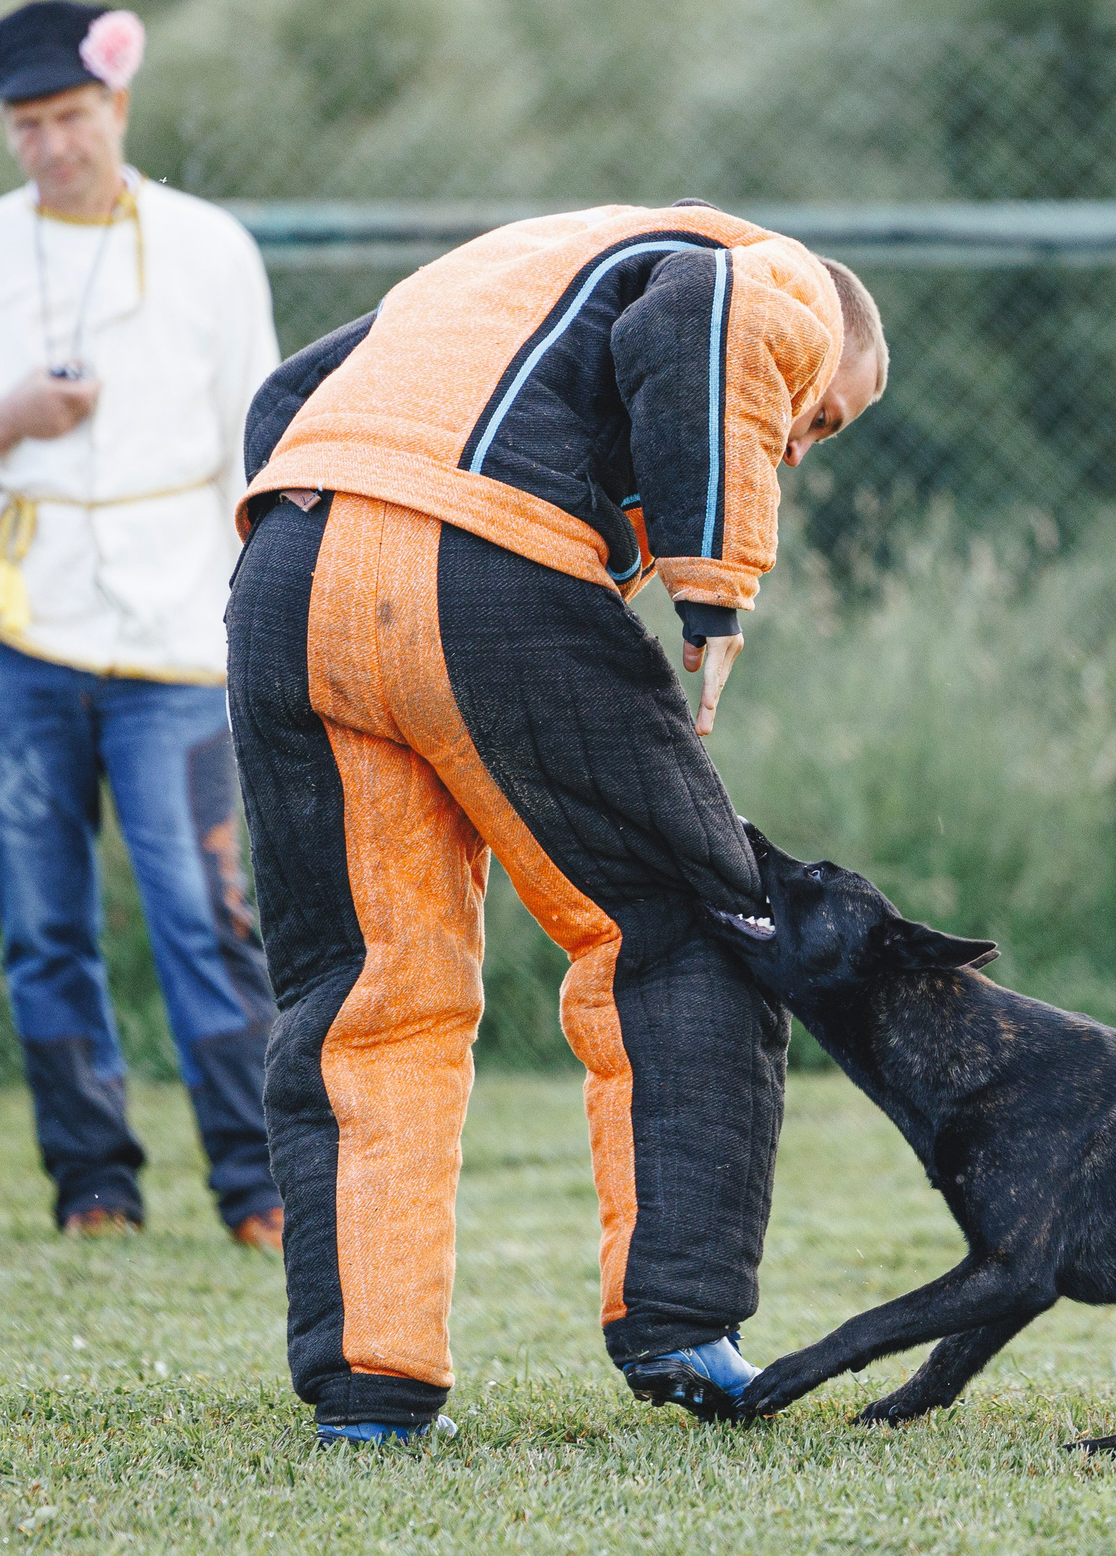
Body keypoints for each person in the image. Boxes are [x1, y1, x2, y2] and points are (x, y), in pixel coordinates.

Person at [224, 202, 888, 1444]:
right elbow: (708, 322)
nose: (802, 448)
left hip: (288, 574)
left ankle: (369, 1387)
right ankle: (679, 1323)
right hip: (484, 559)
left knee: (363, 994)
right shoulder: (769, 272)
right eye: (824, 417)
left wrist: (303, 545)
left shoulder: (499, 272)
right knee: (691, 922)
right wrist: (712, 583)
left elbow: (288, 396)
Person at [0, 0, 286, 1250]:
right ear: (7, 130)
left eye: (72, 116)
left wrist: (254, 619)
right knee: (43, 921)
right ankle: (92, 1185)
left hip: (174, 636)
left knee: (205, 916)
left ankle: (258, 1187)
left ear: (118, 110)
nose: (52, 143)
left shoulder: (213, 250)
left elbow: (254, 446)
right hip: (10, 629)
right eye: (27, 123)